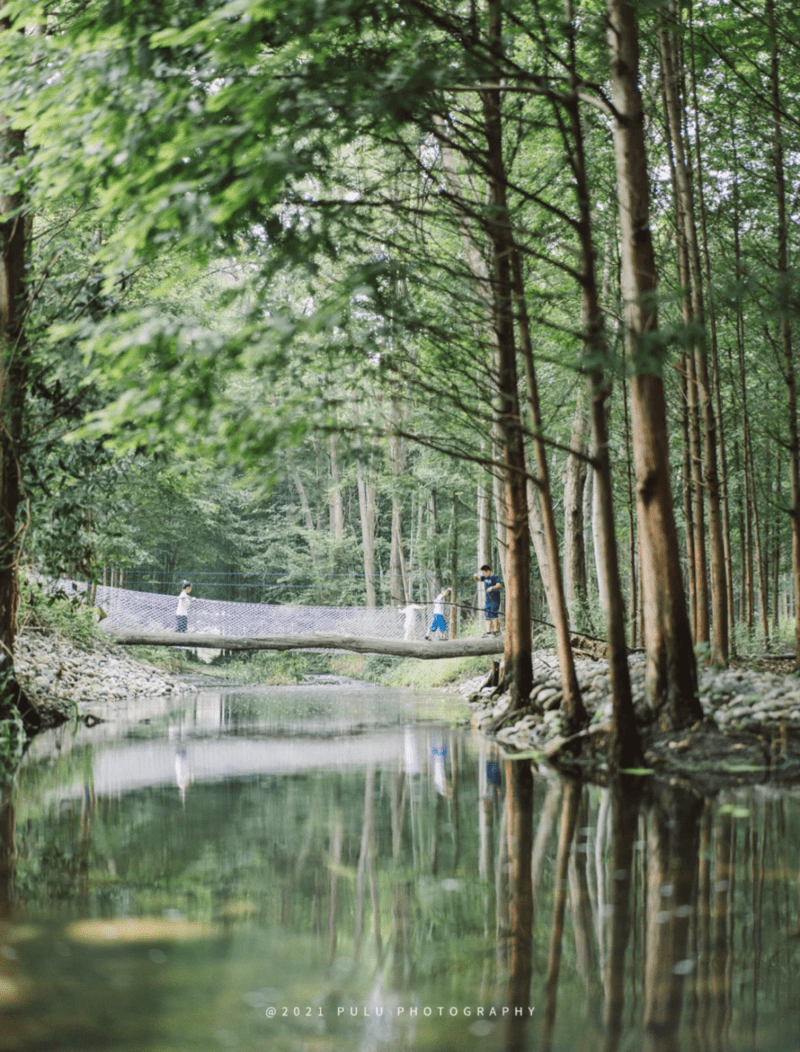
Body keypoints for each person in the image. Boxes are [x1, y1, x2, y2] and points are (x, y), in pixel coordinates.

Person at [474, 564, 502, 635]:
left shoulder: (495, 577)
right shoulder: (485, 577)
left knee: (494, 613)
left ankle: (496, 631)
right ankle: (488, 631)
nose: (483, 574)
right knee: (487, 614)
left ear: (488, 571)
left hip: (495, 599)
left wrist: (492, 588)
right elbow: (478, 578)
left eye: (484, 573)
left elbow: (499, 585)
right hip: (488, 599)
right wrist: (475, 576)